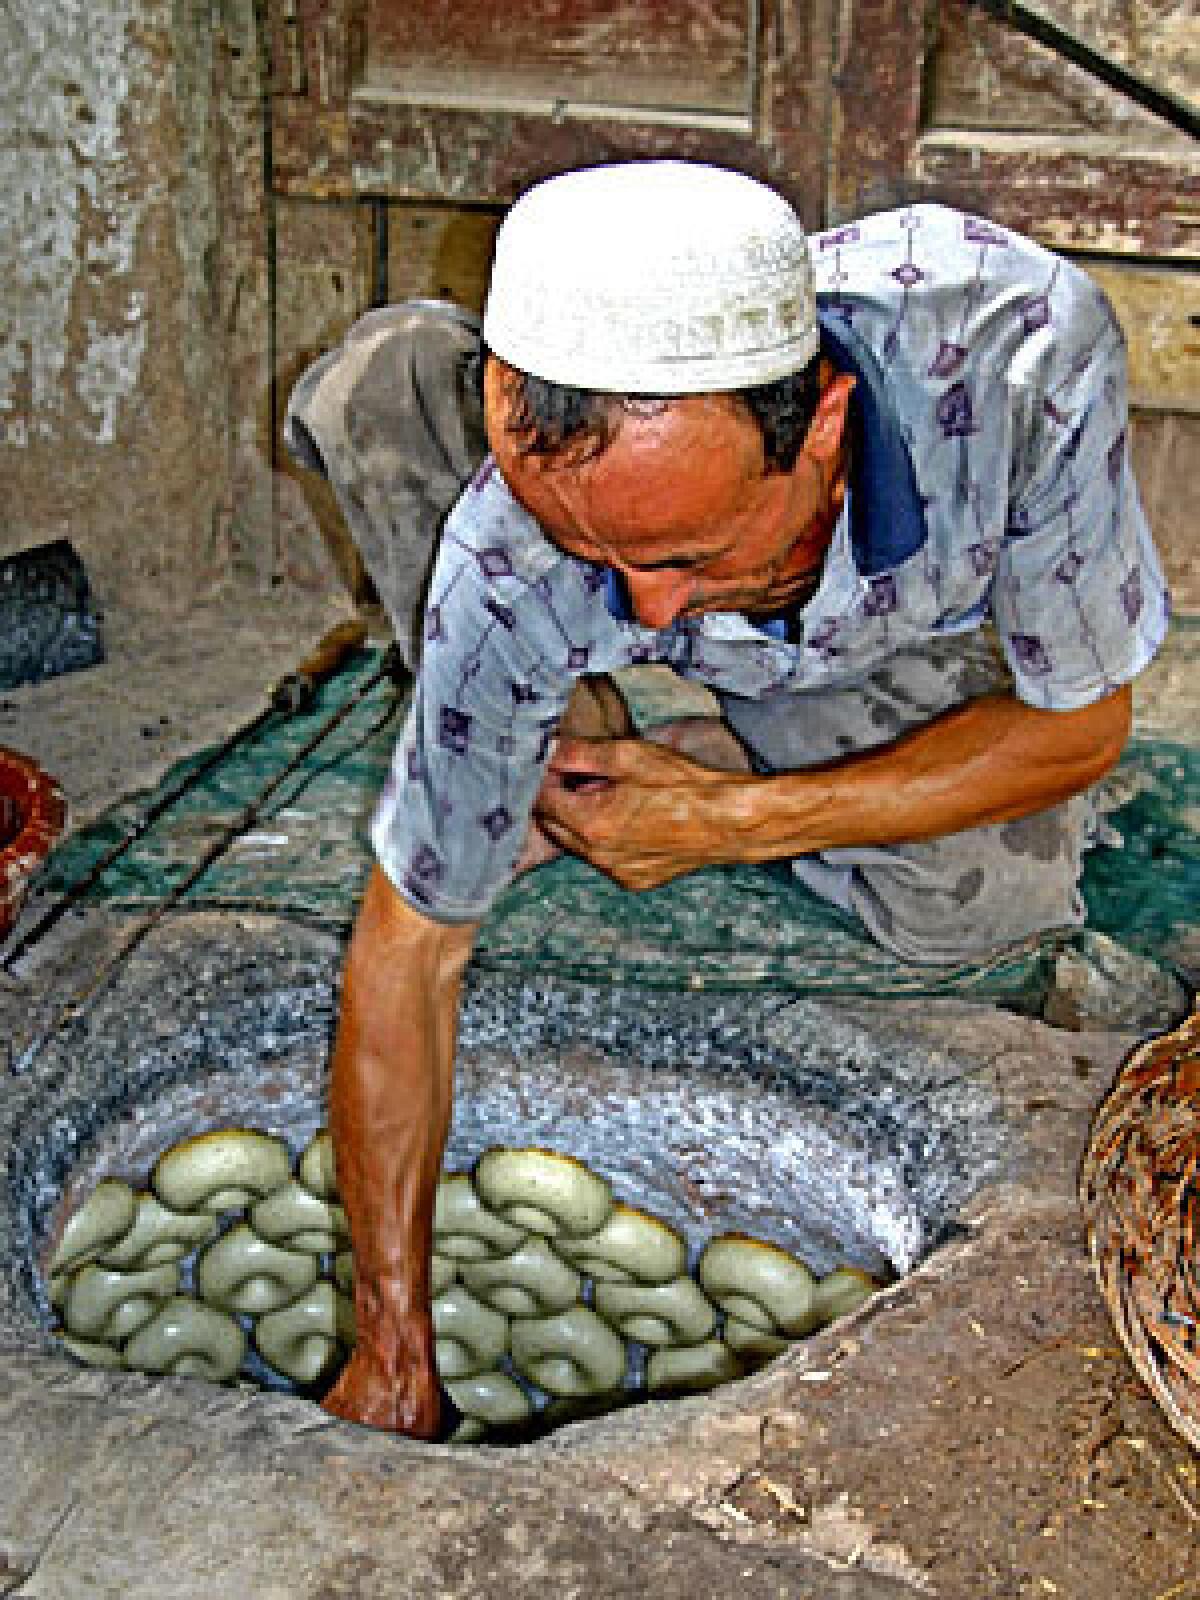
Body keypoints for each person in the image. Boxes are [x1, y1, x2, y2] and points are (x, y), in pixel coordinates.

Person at [285, 161, 1168, 1435]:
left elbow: (1082, 726)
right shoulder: (517, 538)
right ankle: (436, 393)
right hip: (592, 543)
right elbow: (407, 950)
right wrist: (395, 1346)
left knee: (983, 910)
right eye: (601, 554)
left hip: (879, 632)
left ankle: (729, 741)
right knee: (402, 432)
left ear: (818, 433)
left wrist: (732, 818)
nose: (640, 611)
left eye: (686, 553)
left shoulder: (1020, 359)